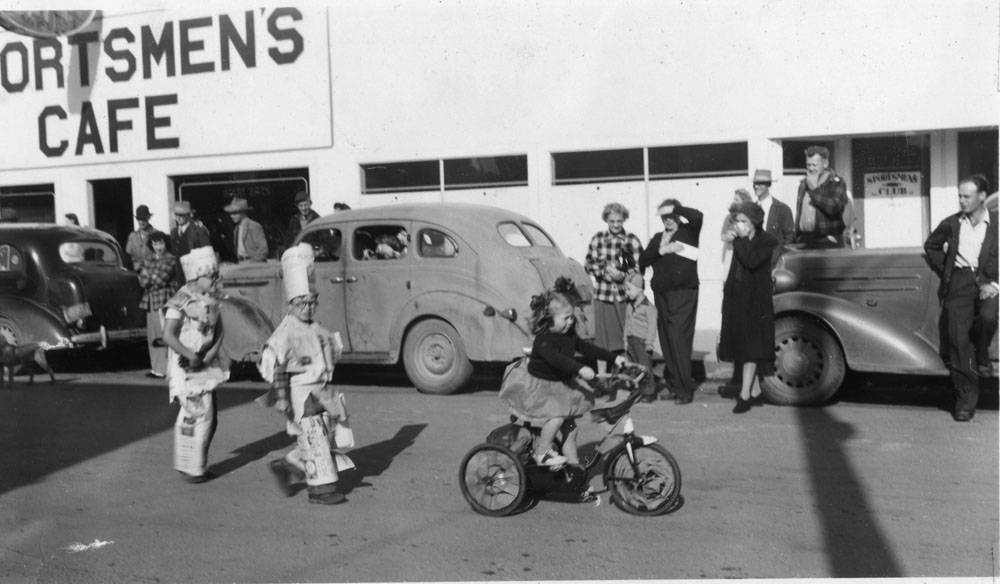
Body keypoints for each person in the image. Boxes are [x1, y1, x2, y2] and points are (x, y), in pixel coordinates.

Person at [499, 277, 627, 468]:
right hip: (539, 387)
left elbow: (586, 348)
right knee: (558, 417)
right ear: (549, 318)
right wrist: (580, 368)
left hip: (559, 383)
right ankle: (542, 452)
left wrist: (613, 358)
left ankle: (574, 469)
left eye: (571, 317)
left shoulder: (568, 334)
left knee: (571, 428)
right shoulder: (544, 340)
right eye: (565, 318)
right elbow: (557, 360)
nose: (570, 322)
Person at [258, 243, 352, 505]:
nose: (307, 308)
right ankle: (320, 490)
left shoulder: (315, 326)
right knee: (315, 438)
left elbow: (329, 349)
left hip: (321, 388)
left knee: (328, 432)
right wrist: (281, 397)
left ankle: (287, 465)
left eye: (311, 302)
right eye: (301, 303)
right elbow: (276, 363)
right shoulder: (286, 330)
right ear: (291, 304)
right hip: (301, 391)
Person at [923, 174, 998, 422]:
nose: (962, 201)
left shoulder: (997, 224)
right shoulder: (952, 223)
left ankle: (982, 355)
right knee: (957, 341)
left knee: (987, 318)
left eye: (967, 196)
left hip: (989, 284)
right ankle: (966, 401)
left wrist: (995, 284)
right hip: (960, 283)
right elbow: (931, 245)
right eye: (959, 196)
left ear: (982, 197)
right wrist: (947, 269)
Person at [161, 246, 229, 483]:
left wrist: (210, 355)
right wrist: (190, 355)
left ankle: (193, 463)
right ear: (195, 276)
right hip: (187, 363)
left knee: (209, 416)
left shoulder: (212, 298)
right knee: (198, 413)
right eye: (211, 275)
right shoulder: (180, 299)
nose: (215, 279)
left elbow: (219, 329)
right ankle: (192, 467)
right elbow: (168, 335)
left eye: (216, 274)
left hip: (204, 361)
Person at [638, 198, 703, 405]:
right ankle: (676, 387)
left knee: (679, 340)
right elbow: (643, 260)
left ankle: (685, 391)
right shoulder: (658, 237)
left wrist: (676, 208)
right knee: (667, 342)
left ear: (677, 215)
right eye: (664, 217)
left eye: (671, 216)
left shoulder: (688, 232)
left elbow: (697, 216)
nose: (667, 220)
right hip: (662, 295)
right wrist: (660, 250)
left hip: (683, 293)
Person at [718, 201, 779, 414]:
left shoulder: (767, 241)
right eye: (738, 221)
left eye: (744, 221)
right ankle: (754, 392)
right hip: (737, 299)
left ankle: (744, 396)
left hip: (755, 301)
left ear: (754, 222)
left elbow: (751, 261)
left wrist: (741, 240)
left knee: (752, 348)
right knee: (742, 347)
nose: (740, 225)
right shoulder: (739, 240)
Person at [584, 202, 643, 374]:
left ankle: (625, 377)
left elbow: (639, 269)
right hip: (603, 296)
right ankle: (603, 377)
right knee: (602, 342)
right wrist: (604, 272)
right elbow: (588, 264)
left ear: (624, 220)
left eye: (619, 221)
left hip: (625, 297)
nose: (616, 225)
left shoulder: (632, 241)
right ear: (606, 221)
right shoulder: (598, 239)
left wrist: (622, 275)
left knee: (626, 339)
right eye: (612, 221)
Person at [136, 231, 180, 379]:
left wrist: (149, 275)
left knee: (163, 334)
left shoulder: (171, 259)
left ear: (166, 243)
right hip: (150, 301)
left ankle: (165, 368)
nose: (158, 247)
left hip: (163, 300)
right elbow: (142, 280)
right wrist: (150, 276)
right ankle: (156, 367)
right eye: (155, 244)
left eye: (160, 243)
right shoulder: (150, 258)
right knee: (152, 335)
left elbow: (160, 280)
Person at [795, 146, 848, 248]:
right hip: (806, 239)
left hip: (828, 240)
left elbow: (834, 207)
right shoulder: (803, 183)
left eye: (814, 165)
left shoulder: (836, 182)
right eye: (808, 165)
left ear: (825, 164)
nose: (810, 168)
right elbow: (799, 214)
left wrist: (815, 190)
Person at [622, 272, 662, 402]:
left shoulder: (648, 308)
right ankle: (637, 390)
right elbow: (627, 322)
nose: (627, 292)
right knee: (634, 367)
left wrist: (649, 343)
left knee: (645, 366)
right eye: (626, 289)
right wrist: (625, 339)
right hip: (631, 339)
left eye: (629, 289)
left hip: (642, 341)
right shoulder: (629, 305)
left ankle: (649, 391)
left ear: (639, 289)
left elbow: (652, 326)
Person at [752, 169, 795, 253]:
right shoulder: (751, 208)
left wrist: (779, 256)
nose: (756, 186)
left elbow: (789, 237)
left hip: (774, 261)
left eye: (760, 183)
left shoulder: (782, 209)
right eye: (755, 183)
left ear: (768, 185)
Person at [225, 197, 269, 262]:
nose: (231, 216)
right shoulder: (236, 229)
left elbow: (263, 249)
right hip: (241, 262)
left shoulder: (253, 226)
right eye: (230, 213)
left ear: (243, 212)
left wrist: (253, 261)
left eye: (235, 213)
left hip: (254, 264)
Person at [170, 200, 212, 266]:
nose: (178, 218)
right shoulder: (174, 231)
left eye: (181, 215)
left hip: (195, 268)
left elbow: (208, 253)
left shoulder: (199, 231)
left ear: (188, 215)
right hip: (179, 270)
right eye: (176, 215)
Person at [125, 205, 159, 270]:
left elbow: (161, 257)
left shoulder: (156, 234)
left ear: (148, 218)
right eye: (139, 219)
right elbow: (128, 257)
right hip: (136, 273)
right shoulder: (132, 236)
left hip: (152, 272)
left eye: (144, 219)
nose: (141, 222)